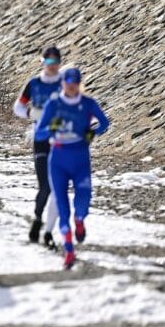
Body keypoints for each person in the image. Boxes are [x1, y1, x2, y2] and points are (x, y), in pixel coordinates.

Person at [35, 67, 110, 270]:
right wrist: (52, 127)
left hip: (80, 158)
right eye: (68, 82)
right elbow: (39, 134)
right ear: (62, 83)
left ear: (79, 84)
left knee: (83, 199)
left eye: (75, 83)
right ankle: (69, 251)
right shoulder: (54, 104)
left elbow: (104, 122)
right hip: (58, 159)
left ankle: (80, 220)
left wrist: (90, 134)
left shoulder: (87, 103)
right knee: (62, 205)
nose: (71, 86)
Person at [13, 46, 62, 249]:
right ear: (42, 63)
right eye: (48, 62)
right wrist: (31, 114)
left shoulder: (64, 83)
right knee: (45, 185)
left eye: (55, 63)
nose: (52, 66)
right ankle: (37, 218)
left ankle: (49, 230)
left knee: (57, 187)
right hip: (40, 139)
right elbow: (18, 107)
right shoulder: (33, 84)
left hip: (61, 140)